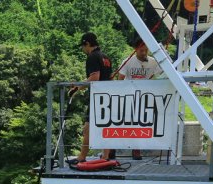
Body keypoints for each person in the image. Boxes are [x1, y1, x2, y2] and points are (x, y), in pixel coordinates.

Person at [68, 32, 113, 165]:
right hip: (108, 96)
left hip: (97, 97)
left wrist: (76, 88)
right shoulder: (106, 57)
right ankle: (106, 156)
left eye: (83, 46)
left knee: (87, 127)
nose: (83, 50)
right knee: (106, 127)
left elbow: (94, 78)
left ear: (87, 44)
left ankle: (82, 156)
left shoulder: (92, 57)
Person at [118, 39, 163, 160]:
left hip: (144, 96)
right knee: (122, 123)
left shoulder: (153, 62)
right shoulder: (127, 61)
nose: (144, 53)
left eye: (146, 50)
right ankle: (112, 149)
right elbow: (120, 79)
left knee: (138, 123)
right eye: (141, 50)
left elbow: (162, 74)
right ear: (135, 49)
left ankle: (136, 150)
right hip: (129, 95)